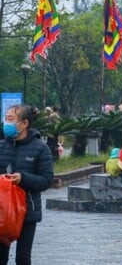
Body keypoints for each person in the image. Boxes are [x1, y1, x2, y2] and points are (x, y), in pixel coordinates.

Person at [0, 104, 54, 265]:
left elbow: (46, 179)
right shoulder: (1, 146)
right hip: (2, 212)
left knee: (23, 258)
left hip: (27, 212)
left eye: (10, 119)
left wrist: (22, 178)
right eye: (5, 119)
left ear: (24, 123)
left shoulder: (41, 149)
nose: (6, 123)